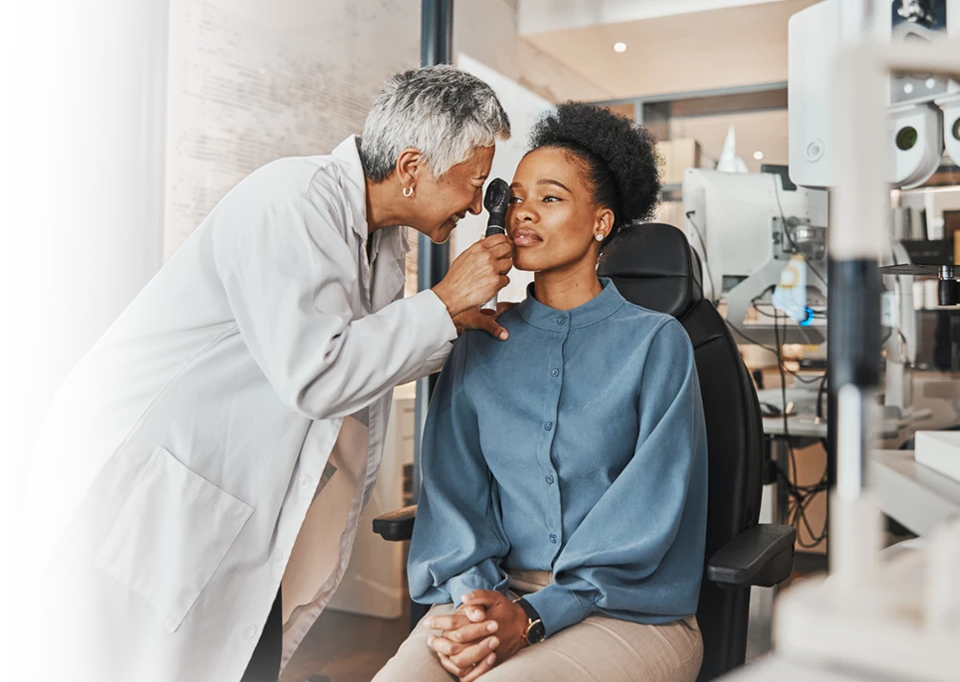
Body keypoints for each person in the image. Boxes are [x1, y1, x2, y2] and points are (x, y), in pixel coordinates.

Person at [6, 66, 516, 682]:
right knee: (109, 653)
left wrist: (452, 321)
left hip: (213, 473)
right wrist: (441, 302)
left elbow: (366, 356)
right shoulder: (293, 201)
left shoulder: (378, 241)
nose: (473, 204)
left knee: (223, 645)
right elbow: (317, 375)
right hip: (146, 457)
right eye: (473, 184)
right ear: (412, 169)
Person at [374, 102, 709, 682]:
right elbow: (454, 497)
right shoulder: (477, 339)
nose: (524, 213)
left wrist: (530, 616)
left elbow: (644, 519)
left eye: (550, 198)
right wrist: (479, 606)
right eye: (518, 196)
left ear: (601, 222)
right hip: (487, 596)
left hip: (625, 611)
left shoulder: (658, 344)